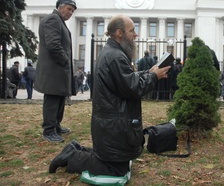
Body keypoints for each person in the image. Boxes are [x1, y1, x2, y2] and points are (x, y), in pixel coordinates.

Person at [48, 15, 170, 177]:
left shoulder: (112, 53)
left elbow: (126, 79)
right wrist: (154, 76)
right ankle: (72, 156)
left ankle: (76, 150)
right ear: (119, 33)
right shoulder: (116, 56)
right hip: (113, 125)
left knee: (118, 162)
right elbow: (132, 88)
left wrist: (148, 72)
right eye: (132, 30)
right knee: (117, 170)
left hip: (111, 124)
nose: (136, 35)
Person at [34, 0, 77, 142]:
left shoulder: (59, 21)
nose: (71, 13)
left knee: (59, 98)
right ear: (60, 6)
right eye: (69, 9)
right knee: (52, 100)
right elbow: (54, 45)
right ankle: (49, 130)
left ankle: (56, 125)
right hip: (54, 69)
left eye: (73, 10)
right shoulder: (53, 19)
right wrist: (65, 61)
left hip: (57, 70)